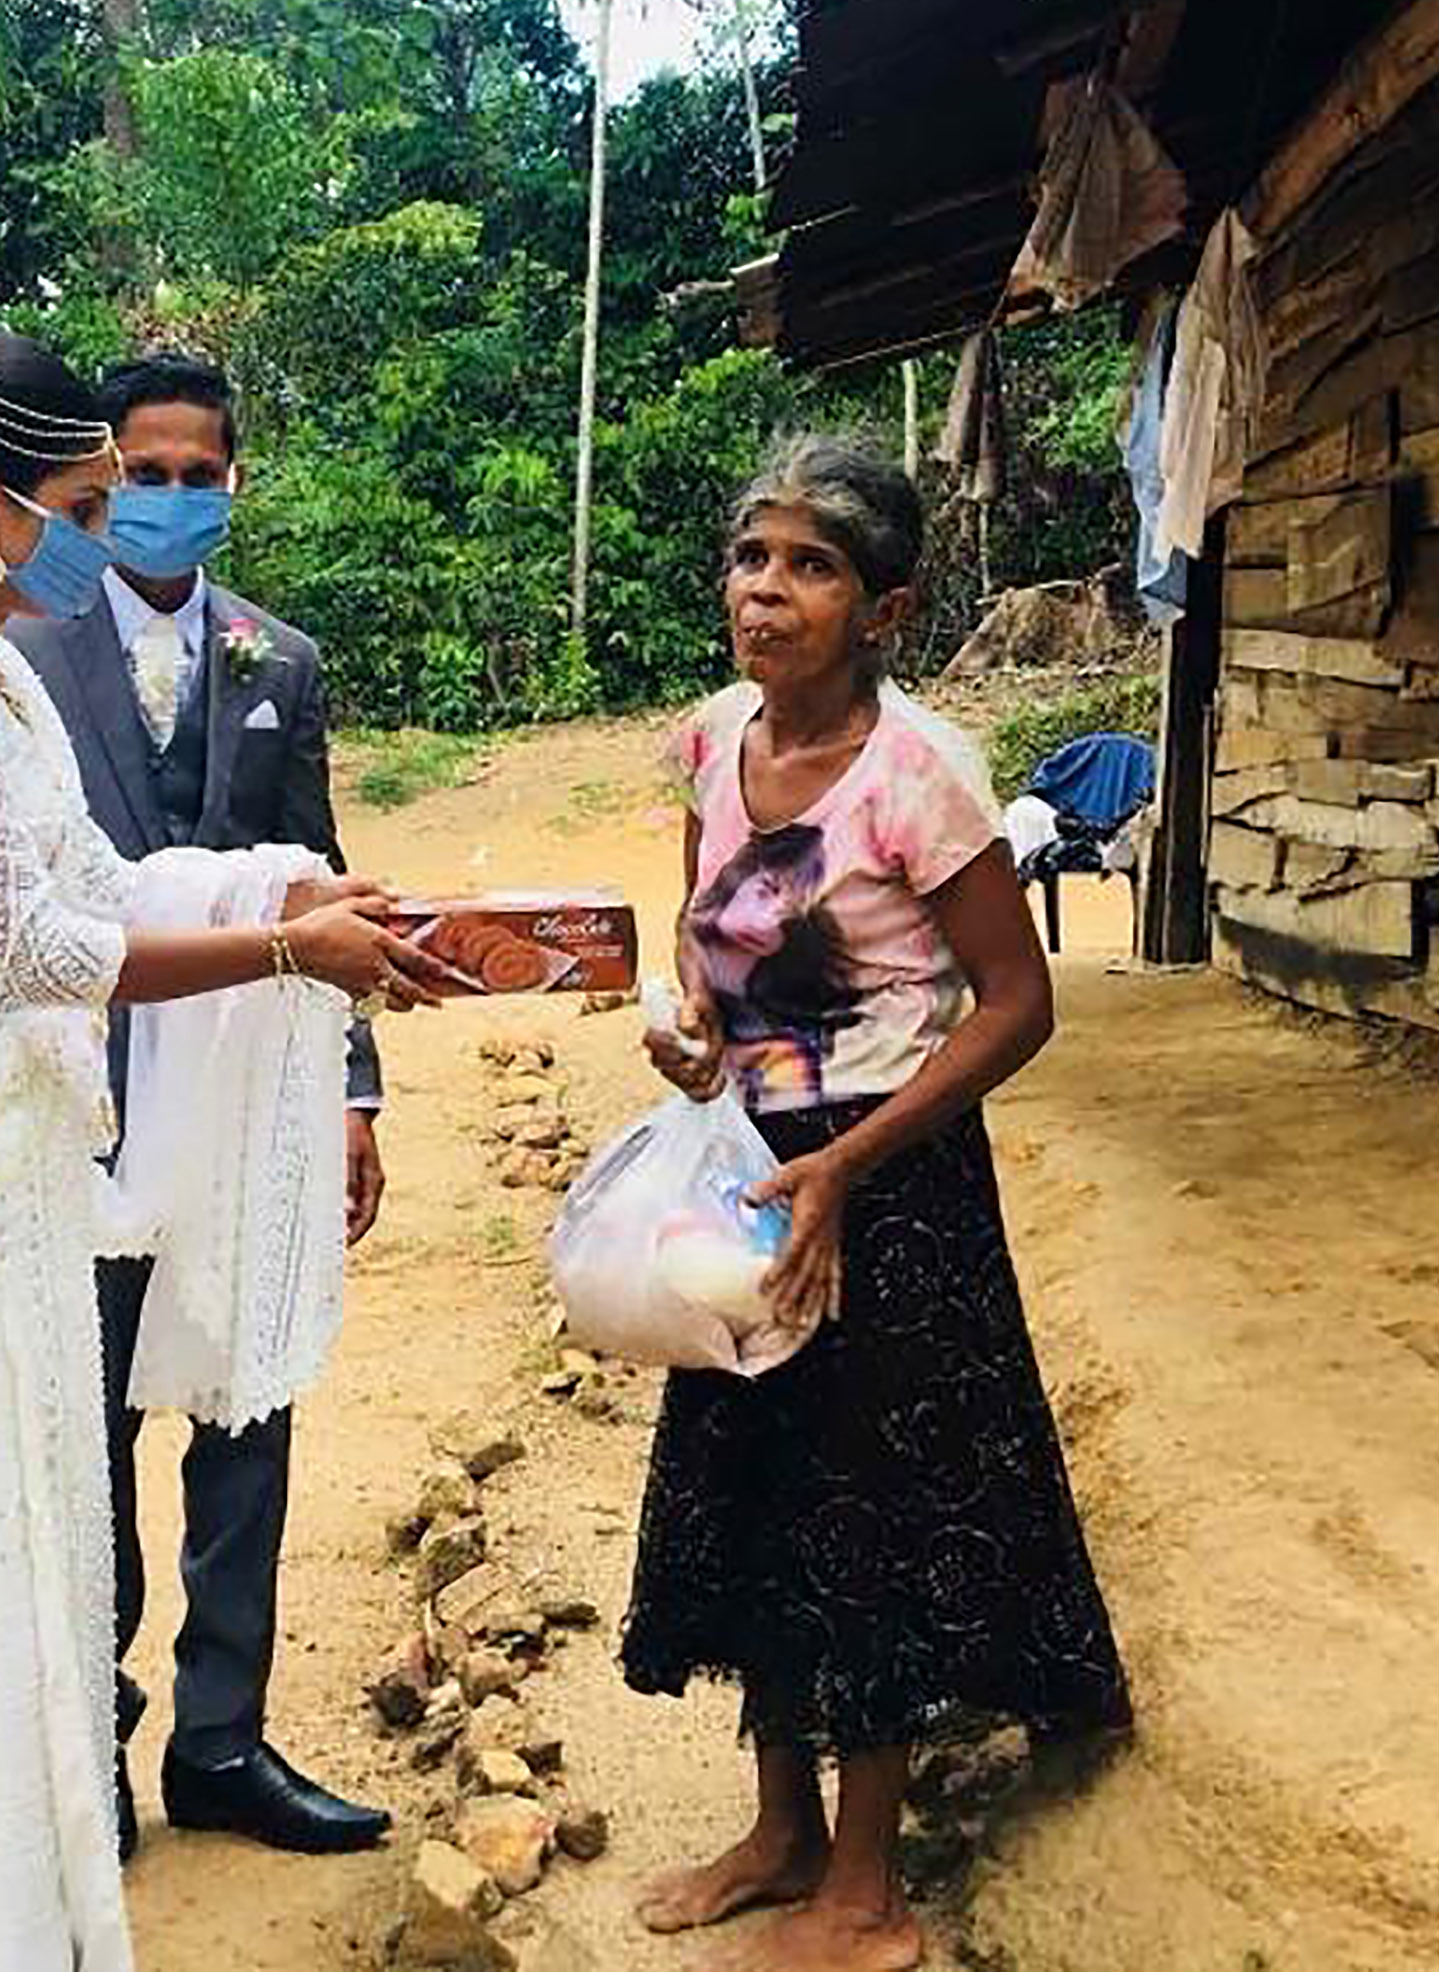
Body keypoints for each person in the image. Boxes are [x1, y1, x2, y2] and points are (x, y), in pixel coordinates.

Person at [0, 329, 439, 1972]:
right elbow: (22, 949)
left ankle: (59, 1879)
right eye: (88, 499)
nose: (108, 528)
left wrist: (278, 896)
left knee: (52, 1514)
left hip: (18, 1124)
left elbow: (94, 890)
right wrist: (285, 957)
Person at [622, 432, 1132, 1972]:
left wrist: (849, 1161)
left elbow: (1013, 1001)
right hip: (748, 1164)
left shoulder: (921, 775)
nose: (764, 593)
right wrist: (688, 1025)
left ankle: (866, 1887)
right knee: (755, 1482)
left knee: (872, 1509)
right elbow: (706, 931)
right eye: (751, 558)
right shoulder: (713, 740)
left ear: (884, 612)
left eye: (811, 568)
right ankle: (779, 1830)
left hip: (888, 1180)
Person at [7, 350, 391, 1861]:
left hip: (253, 1093)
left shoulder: (274, 660)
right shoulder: (21, 655)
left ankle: (220, 1738)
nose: (168, 500)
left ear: (232, 482)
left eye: (196, 475)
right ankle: (89, 1739)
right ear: (101, 481)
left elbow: (320, 866)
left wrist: (354, 1090)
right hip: (82, 1092)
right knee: (85, 1416)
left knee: (250, 1405)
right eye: (142, 476)